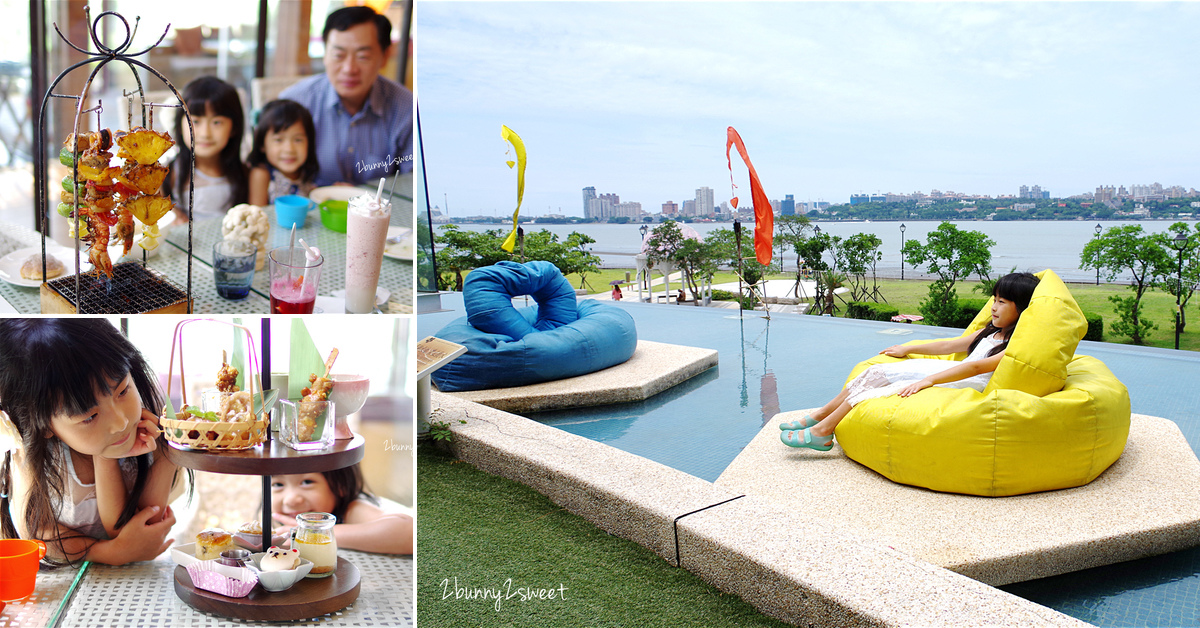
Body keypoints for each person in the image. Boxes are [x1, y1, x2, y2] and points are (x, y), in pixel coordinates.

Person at [0, 319, 189, 566]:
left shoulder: (146, 430)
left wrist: (167, 452)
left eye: (122, 391)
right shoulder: (40, 460)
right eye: (89, 416)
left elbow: (143, 525)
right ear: (43, 425)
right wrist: (109, 552)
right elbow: (39, 536)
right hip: (64, 584)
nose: (120, 422)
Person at [780, 272, 1040, 450]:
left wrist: (927, 380)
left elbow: (974, 367)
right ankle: (821, 415)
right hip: (953, 370)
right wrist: (909, 347)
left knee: (881, 384)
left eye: (1002, 302)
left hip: (965, 382)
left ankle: (822, 431)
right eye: (993, 300)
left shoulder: (1015, 345)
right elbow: (949, 345)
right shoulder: (991, 331)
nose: (993, 307)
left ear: (1023, 309)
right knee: (875, 372)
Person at [279, 6, 414, 186]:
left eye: (363, 56)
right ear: (325, 54)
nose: (349, 69)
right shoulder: (295, 102)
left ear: (385, 56)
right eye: (338, 55)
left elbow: (411, 182)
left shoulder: (407, 109)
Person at [271, 467, 413, 555]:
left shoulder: (353, 509)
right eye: (278, 484)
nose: (291, 499)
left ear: (340, 486)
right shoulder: (285, 521)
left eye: (307, 482)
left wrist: (315, 534)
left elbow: (409, 532)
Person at [166, 76, 249, 222]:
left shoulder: (245, 174)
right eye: (196, 121)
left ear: (234, 128)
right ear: (180, 125)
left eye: (217, 122)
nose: (205, 133)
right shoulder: (170, 173)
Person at [247, 99, 319, 205]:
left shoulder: (306, 171)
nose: (289, 149)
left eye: (298, 140)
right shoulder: (262, 174)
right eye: (279, 140)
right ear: (262, 144)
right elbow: (256, 216)